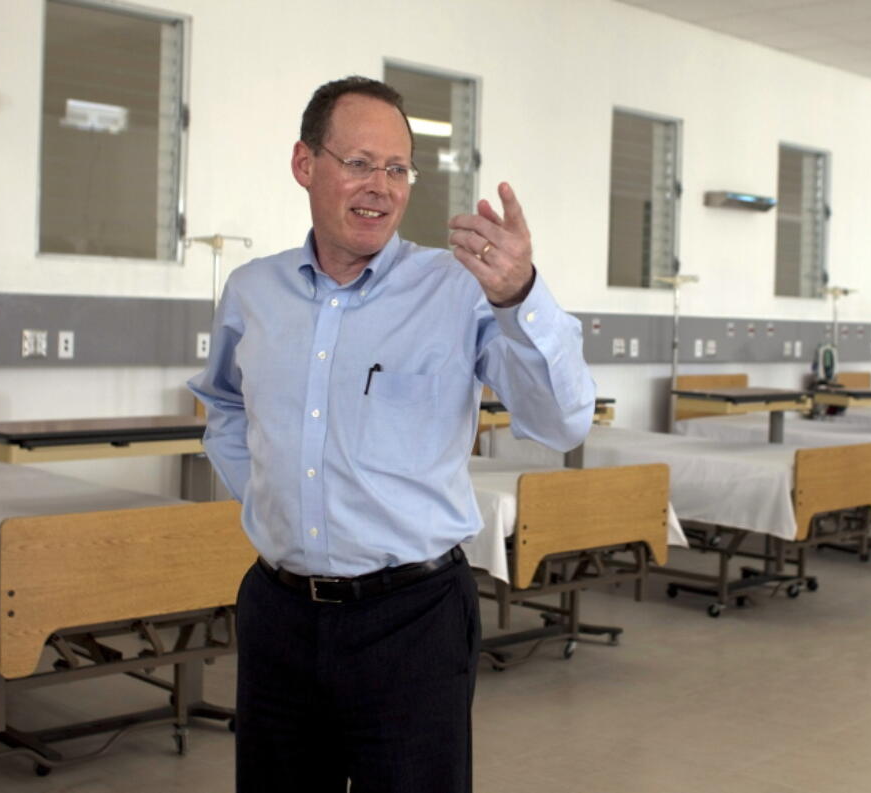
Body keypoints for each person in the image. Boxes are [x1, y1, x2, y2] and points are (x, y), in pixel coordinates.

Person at [188, 75, 595, 793]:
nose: (381, 185)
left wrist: (522, 296)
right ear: (304, 164)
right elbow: (223, 402)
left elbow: (560, 421)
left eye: (398, 168)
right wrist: (267, 490)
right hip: (279, 616)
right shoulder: (252, 292)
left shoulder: (459, 288)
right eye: (358, 163)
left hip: (412, 623)